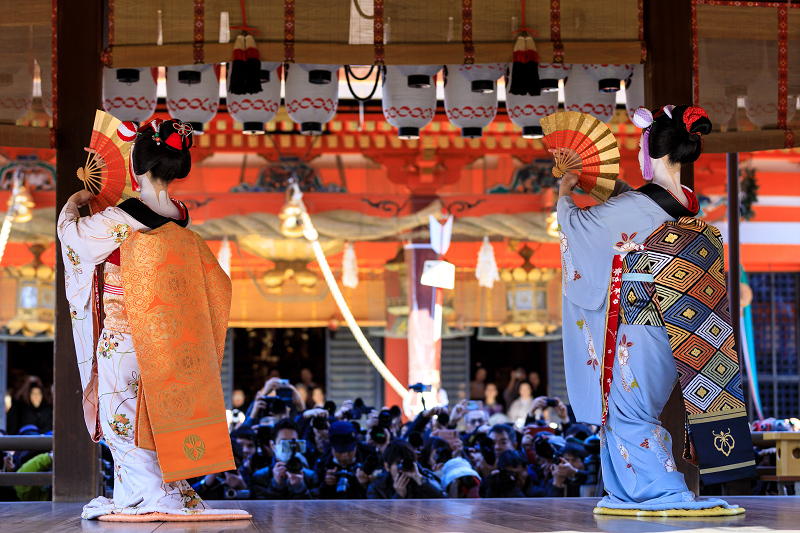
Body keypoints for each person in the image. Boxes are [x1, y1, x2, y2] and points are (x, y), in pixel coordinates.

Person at [558, 105, 752, 514]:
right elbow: (632, 212)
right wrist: (616, 194)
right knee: (633, 410)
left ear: (650, 153)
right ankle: (629, 492)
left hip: (637, 319)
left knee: (629, 412)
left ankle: (663, 490)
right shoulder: (683, 202)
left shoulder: (634, 206)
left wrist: (564, 190)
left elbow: (577, 227)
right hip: (678, 322)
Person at [57, 118, 248, 521]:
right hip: (168, 339)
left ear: (136, 167)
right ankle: (169, 487)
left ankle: (145, 495)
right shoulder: (181, 218)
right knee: (160, 416)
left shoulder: (123, 217)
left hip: (124, 336)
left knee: (120, 420)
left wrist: (74, 203)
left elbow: (73, 241)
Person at [250, 420, 318, 500]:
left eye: (292, 442)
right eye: (283, 442)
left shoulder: (310, 476)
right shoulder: (260, 476)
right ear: (272, 445)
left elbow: (315, 508)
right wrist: (276, 485)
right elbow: (259, 507)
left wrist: (300, 488)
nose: (288, 446)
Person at [314, 421, 375, 499]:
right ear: (332, 447)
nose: (345, 456)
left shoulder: (369, 458)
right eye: (340, 451)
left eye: (349, 451)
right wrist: (326, 485)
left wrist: (366, 485)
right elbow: (315, 498)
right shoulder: (321, 464)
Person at [367, 440, 446, 499]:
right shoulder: (377, 487)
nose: (402, 467)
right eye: (398, 463)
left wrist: (420, 480)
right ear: (387, 466)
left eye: (406, 461)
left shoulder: (423, 475)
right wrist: (399, 496)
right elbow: (379, 517)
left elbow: (444, 499)